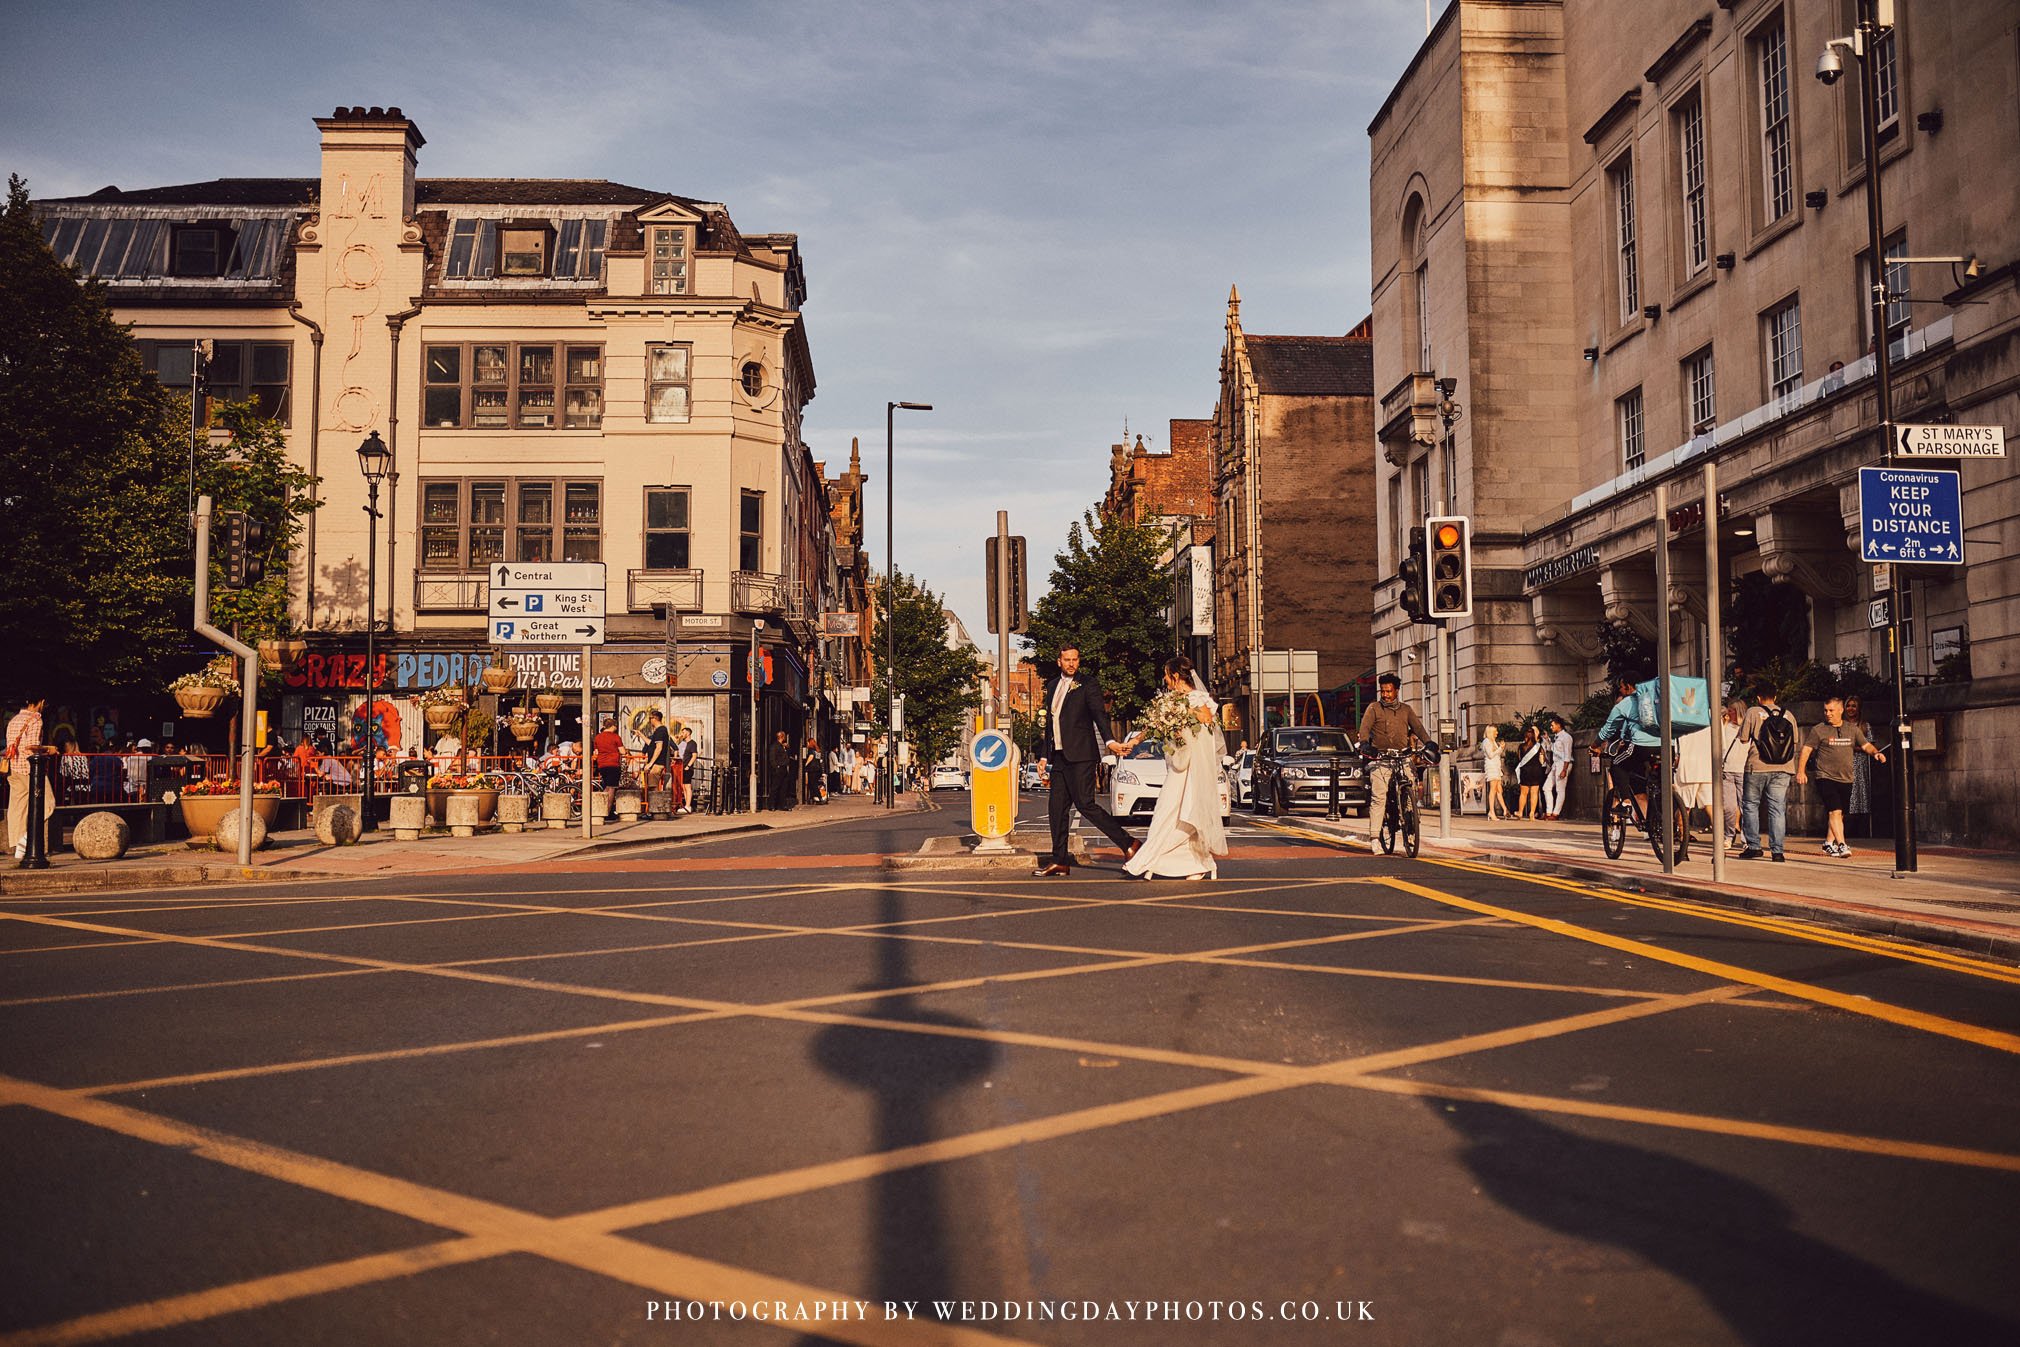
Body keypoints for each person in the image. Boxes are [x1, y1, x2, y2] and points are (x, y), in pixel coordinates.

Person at [1036, 645, 1138, 876]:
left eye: (1075, 659)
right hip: (1060, 757)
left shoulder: (1088, 684)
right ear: (1059, 661)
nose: (1071, 663)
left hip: (1082, 755)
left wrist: (1110, 740)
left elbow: (1098, 715)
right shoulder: (1052, 686)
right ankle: (1060, 860)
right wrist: (1044, 755)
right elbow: (1051, 727)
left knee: (1085, 804)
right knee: (1056, 809)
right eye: (1067, 659)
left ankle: (1129, 843)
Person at [1125, 656, 1228, 880]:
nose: (1164, 679)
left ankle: (1154, 859)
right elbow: (1154, 725)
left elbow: (1207, 722)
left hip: (1192, 769)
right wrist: (1134, 741)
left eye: (1166, 674)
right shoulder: (1172, 700)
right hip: (1177, 765)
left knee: (1184, 812)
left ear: (1174, 676)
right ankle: (1191, 863)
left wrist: (1182, 713)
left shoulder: (1196, 698)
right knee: (1168, 812)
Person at [1797, 696, 1886, 858]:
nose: (1828, 714)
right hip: (1825, 776)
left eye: (1831, 710)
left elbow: (1865, 745)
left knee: (1839, 813)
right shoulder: (1819, 729)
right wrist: (1801, 771)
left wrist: (1876, 753)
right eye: (1825, 710)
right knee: (1835, 810)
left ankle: (1828, 843)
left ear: (1840, 710)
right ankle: (1842, 845)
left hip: (1846, 778)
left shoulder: (1852, 729)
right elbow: (1806, 750)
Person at [1357, 672, 1432, 844]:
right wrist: (1365, 743)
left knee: (1410, 788)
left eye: (1389, 691)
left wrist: (1428, 742)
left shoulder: (1406, 710)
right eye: (1383, 691)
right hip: (1380, 758)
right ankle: (1375, 837)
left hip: (1402, 756)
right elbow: (1365, 729)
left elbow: (1418, 728)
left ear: (1396, 691)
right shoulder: (1374, 708)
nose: (1385, 695)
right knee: (1379, 796)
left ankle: (1410, 828)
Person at [1739, 686, 1800, 862]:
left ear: (1758, 697)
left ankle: (1754, 846)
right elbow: (1794, 741)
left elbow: (1743, 738)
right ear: (1776, 696)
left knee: (1751, 805)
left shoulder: (1753, 711)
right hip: (1784, 767)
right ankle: (1777, 851)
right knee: (1777, 809)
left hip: (1757, 766)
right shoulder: (1788, 714)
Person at [1597, 678, 1661, 822]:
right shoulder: (1655, 699)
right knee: (1654, 784)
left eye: (1621, 686)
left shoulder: (1628, 703)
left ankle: (1626, 802)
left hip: (1640, 747)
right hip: (1666, 746)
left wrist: (1594, 745)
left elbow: (1608, 729)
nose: (1620, 689)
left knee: (1617, 766)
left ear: (1628, 686)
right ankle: (1664, 821)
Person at [1717, 699, 1749, 850]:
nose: (1729, 713)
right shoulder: (1725, 727)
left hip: (1744, 770)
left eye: (1732, 710)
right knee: (1728, 807)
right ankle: (1729, 835)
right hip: (1727, 771)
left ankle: (1746, 837)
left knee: (1746, 806)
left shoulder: (1748, 727)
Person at [1844, 694, 1874, 837]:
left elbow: (1870, 744)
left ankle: (1863, 828)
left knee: (1861, 793)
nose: (1850, 709)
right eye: (1848, 706)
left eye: (1853, 706)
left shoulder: (1864, 725)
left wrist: (1854, 747)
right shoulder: (1841, 725)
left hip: (1861, 764)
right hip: (1845, 763)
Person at [641, 710, 674, 816]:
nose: (650, 721)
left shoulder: (661, 731)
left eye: (650, 718)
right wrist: (641, 735)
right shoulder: (658, 731)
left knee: (653, 787)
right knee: (652, 786)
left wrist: (650, 763)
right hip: (656, 763)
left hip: (656, 764)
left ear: (654, 718)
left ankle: (654, 810)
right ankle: (654, 810)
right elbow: (651, 744)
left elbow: (658, 748)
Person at [591, 717, 626, 816]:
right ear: (613, 726)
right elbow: (622, 751)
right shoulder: (615, 737)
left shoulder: (598, 737)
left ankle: (601, 808)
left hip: (602, 764)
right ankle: (608, 811)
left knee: (606, 786)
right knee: (611, 788)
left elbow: (596, 752)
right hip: (613, 764)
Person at [1544, 715, 1574, 820]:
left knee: (1560, 789)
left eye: (1552, 725)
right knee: (1546, 787)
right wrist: (1547, 739)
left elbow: (1567, 754)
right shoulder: (1557, 737)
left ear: (1558, 725)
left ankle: (1556, 813)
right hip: (1556, 764)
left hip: (1563, 764)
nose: (1551, 727)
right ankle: (1549, 812)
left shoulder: (1566, 737)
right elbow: (1553, 749)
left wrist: (1564, 769)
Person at [1477, 724, 1509, 820]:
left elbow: (1496, 754)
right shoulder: (1486, 742)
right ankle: (1491, 812)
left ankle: (1505, 810)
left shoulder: (1493, 741)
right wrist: (1500, 748)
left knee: (1499, 790)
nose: (1497, 733)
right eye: (1495, 731)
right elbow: (1490, 755)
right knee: (1493, 790)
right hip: (1491, 767)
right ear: (1491, 732)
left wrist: (1500, 748)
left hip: (1496, 767)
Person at [1514, 725, 1546, 820]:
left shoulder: (1521, 747)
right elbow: (1542, 760)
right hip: (1536, 771)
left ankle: (1520, 812)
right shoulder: (1539, 747)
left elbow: (1519, 759)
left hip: (1525, 771)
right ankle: (1532, 813)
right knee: (1534, 793)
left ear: (1526, 736)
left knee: (1523, 793)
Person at [673, 726, 697, 812]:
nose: (682, 734)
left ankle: (688, 805)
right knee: (683, 786)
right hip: (682, 767)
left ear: (688, 733)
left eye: (683, 732)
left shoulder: (692, 743)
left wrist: (688, 766)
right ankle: (686, 806)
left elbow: (694, 755)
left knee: (687, 786)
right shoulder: (683, 743)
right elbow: (676, 750)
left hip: (687, 768)